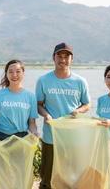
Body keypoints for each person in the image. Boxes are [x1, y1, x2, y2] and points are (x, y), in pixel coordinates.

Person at [35, 42, 91, 189]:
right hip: (50, 136)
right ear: (53, 58)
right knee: (47, 176)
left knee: (71, 175)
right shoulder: (43, 80)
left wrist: (78, 111)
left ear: (72, 59)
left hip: (72, 136)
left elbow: (87, 104)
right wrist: (46, 115)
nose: (63, 59)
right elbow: (38, 104)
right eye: (59, 56)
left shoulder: (80, 81)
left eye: (66, 56)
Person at [0, 59, 38, 140]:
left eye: (18, 71)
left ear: (23, 73)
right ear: (6, 74)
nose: (14, 75)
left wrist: (35, 134)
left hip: (22, 138)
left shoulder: (31, 97)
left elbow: (32, 123)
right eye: (10, 72)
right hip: (1, 138)